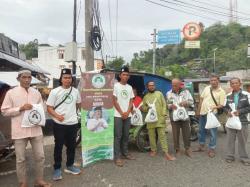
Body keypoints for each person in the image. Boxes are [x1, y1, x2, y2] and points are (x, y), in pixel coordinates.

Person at [1, 69, 51, 187]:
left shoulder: (36, 92)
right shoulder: (11, 93)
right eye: (24, 77)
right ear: (19, 78)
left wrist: (40, 114)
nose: (27, 79)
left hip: (35, 129)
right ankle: (22, 182)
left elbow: (42, 108)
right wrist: (20, 108)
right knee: (20, 159)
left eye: (29, 77)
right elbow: (4, 111)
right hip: (19, 131)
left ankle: (39, 180)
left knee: (40, 156)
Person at [46, 68, 81, 181]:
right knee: (58, 146)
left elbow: (78, 104)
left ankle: (70, 166)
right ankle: (57, 168)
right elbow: (49, 108)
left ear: (72, 79)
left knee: (72, 146)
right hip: (59, 124)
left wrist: (73, 114)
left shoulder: (75, 91)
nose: (67, 80)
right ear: (61, 79)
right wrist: (57, 116)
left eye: (69, 78)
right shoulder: (55, 91)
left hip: (73, 123)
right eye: (65, 77)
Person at [142, 81, 176, 161]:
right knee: (151, 136)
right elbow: (143, 107)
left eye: (153, 85)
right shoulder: (145, 97)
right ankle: (153, 150)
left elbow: (164, 104)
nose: (152, 87)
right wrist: (147, 108)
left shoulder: (159, 94)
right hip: (150, 120)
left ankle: (166, 153)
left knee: (162, 135)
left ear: (154, 86)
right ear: (147, 87)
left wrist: (164, 114)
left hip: (160, 118)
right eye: (150, 85)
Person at [195, 74, 226, 158]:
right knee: (201, 130)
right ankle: (201, 146)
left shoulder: (221, 91)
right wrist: (198, 110)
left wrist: (214, 107)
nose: (213, 82)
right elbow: (201, 99)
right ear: (210, 81)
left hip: (213, 114)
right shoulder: (206, 88)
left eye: (215, 80)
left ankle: (212, 148)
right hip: (203, 113)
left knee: (213, 132)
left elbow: (222, 105)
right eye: (212, 80)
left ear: (218, 81)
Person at [113, 66, 135, 167]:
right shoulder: (116, 86)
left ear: (129, 76)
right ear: (120, 75)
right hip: (118, 115)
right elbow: (114, 100)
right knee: (118, 136)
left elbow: (131, 101)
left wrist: (127, 112)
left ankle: (125, 153)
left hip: (128, 115)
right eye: (123, 74)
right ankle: (117, 157)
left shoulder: (129, 87)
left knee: (126, 135)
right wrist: (122, 112)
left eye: (127, 75)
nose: (125, 76)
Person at [224, 78, 250, 165]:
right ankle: (230, 156)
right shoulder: (228, 96)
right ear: (230, 85)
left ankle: (244, 158)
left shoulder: (246, 95)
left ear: (240, 84)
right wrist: (227, 112)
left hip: (243, 121)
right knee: (230, 140)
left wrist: (240, 111)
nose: (234, 85)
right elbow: (225, 107)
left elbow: (249, 107)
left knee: (242, 140)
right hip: (231, 121)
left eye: (236, 83)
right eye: (232, 83)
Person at [166, 79, 194, 157]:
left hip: (184, 116)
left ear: (179, 85)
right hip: (174, 117)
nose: (173, 86)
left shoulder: (186, 92)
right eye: (172, 85)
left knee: (187, 133)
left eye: (175, 85)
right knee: (175, 134)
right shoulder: (169, 93)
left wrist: (186, 103)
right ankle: (177, 149)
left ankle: (187, 149)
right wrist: (170, 106)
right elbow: (167, 104)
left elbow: (192, 101)